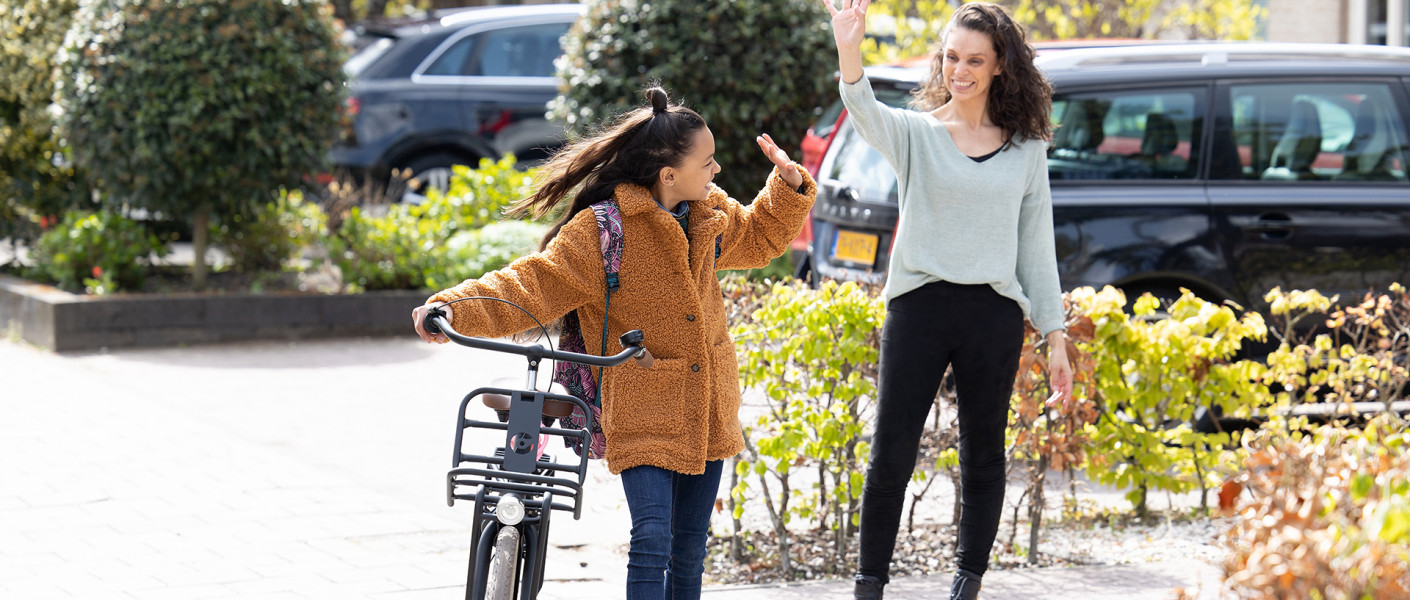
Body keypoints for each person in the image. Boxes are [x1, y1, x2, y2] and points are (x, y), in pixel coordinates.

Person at [411, 87, 816, 600]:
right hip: (643, 401)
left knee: (690, 548)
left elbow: (759, 238)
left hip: (709, 402)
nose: (716, 172)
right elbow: (530, 283)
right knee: (651, 539)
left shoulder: (709, 213)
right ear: (668, 175)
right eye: (707, 162)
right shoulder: (604, 231)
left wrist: (786, 186)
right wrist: (451, 306)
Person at [821, 2, 1074, 599]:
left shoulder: (1026, 150)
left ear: (999, 67)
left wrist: (1054, 335)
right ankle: (869, 587)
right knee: (891, 455)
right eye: (952, 57)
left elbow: (1036, 248)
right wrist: (848, 45)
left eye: (974, 60)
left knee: (983, 457)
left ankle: (968, 585)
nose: (960, 70)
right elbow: (862, 107)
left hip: (992, 316)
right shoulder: (918, 133)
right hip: (919, 309)